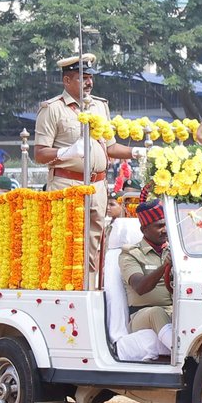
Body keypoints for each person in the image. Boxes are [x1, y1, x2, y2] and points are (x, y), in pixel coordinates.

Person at [32, 53, 133, 282]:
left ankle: (89, 288)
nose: (89, 82)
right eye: (82, 77)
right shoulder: (53, 109)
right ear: (67, 81)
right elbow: (39, 153)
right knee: (66, 241)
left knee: (94, 242)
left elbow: (111, 146)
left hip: (97, 184)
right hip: (67, 183)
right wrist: (65, 152)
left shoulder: (99, 106)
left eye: (90, 77)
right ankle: (65, 287)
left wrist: (136, 151)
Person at [120, 199, 173, 333]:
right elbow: (140, 287)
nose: (165, 230)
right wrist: (164, 267)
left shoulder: (174, 251)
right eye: (159, 226)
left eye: (167, 225)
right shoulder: (130, 254)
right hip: (143, 315)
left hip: (175, 311)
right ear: (144, 229)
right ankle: (179, 353)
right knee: (156, 313)